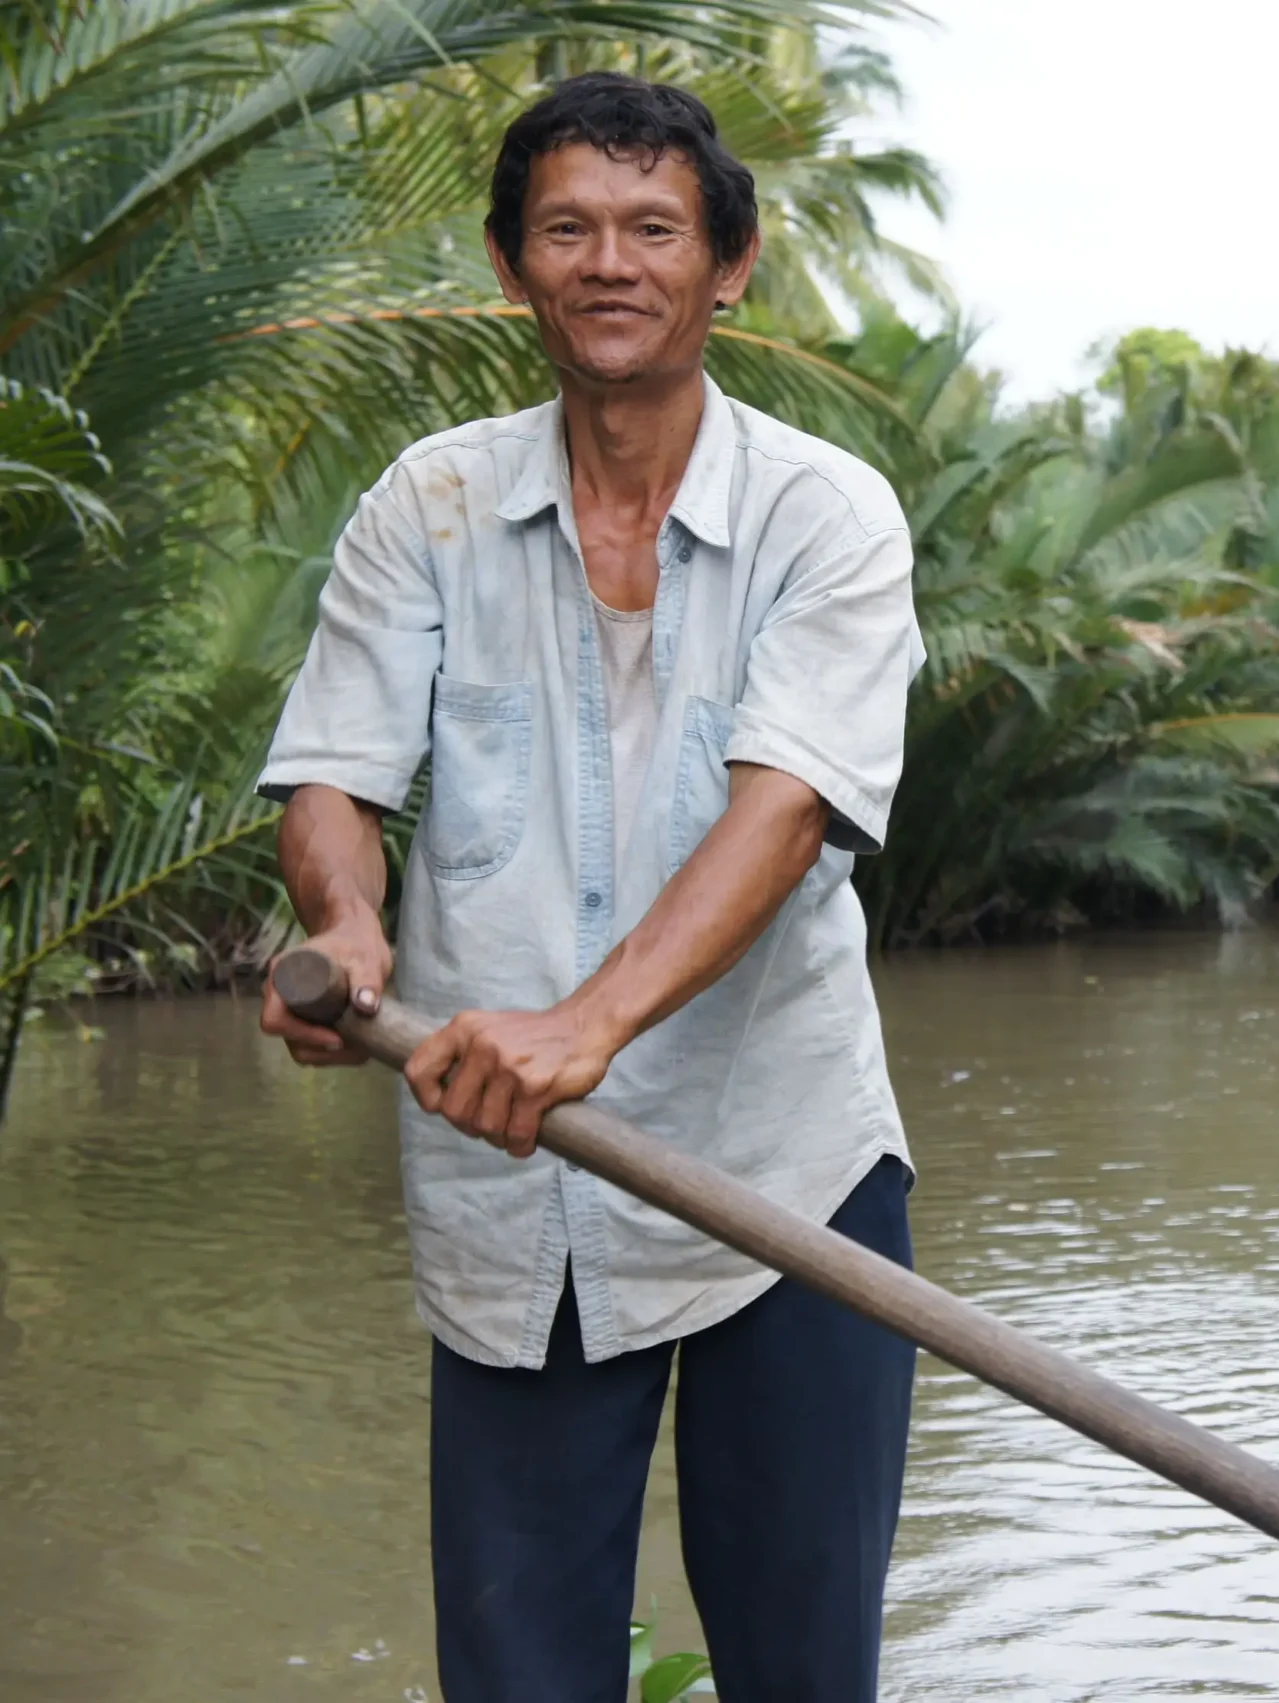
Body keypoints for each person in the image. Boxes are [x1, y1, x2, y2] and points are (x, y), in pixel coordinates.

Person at [255, 72, 922, 1703]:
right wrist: (348, 922)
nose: (608, 262)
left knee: (804, 1667)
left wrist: (589, 1022)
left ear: (731, 265)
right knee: (518, 1672)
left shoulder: (821, 516)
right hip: (513, 1173)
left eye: (652, 228)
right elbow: (335, 770)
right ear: (510, 265)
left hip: (786, 1182)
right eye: (567, 229)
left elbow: (785, 813)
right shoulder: (429, 505)